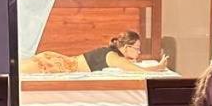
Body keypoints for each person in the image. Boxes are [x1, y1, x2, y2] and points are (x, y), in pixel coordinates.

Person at [19, 30, 169, 75]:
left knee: (16, 69)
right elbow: (137, 71)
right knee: (15, 72)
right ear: (125, 48)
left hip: (55, 60)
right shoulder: (113, 57)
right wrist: (158, 67)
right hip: (56, 64)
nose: (139, 52)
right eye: (136, 48)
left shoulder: (111, 53)